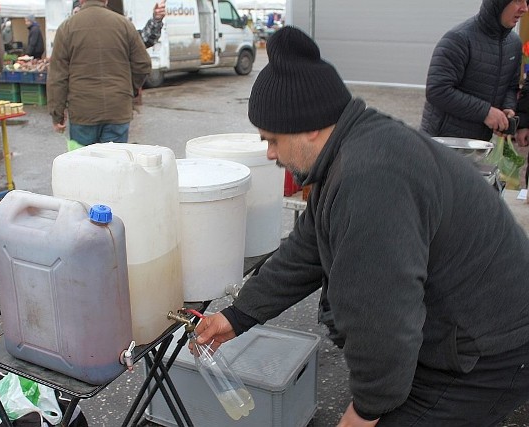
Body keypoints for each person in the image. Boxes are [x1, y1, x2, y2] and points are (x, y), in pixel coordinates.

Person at [193, 26, 529, 426]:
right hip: (459, 332)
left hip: (486, 351)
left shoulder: (369, 178)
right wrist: (238, 316)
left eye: (272, 139)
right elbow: (307, 249)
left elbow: (381, 318)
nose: (269, 153)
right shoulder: (354, 147)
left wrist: (366, 410)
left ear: (310, 126)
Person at [47, 0, 151, 146]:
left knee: (85, 165)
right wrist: (128, 91)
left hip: (83, 111)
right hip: (118, 108)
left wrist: (57, 114)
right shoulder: (124, 25)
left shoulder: (67, 28)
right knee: (114, 164)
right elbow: (143, 64)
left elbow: (58, 77)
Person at [420, 0, 527, 141]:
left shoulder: (514, 43)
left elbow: (511, 86)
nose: (525, 8)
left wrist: (507, 108)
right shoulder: (459, 39)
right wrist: (485, 112)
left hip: (479, 144)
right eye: (518, 1)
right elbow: (437, 90)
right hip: (443, 142)